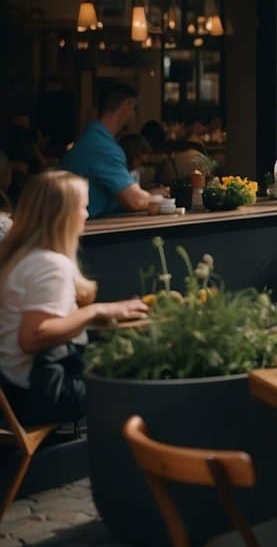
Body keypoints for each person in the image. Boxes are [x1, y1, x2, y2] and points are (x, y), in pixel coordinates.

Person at [0, 172, 147, 424]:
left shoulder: (20, 257)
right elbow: (34, 337)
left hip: (14, 388)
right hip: (43, 393)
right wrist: (97, 311)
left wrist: (109, 311)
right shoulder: (49, 265)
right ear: (62, 215)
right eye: (83, 207)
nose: (87, 215)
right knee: (143, 378)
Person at [61, 83, 163, 218]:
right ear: (127, 106)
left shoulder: (90, 139)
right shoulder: (103, 147)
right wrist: (161, 198)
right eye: (135, 109)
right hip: (89, 231)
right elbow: (135, 201)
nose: (135, 115)